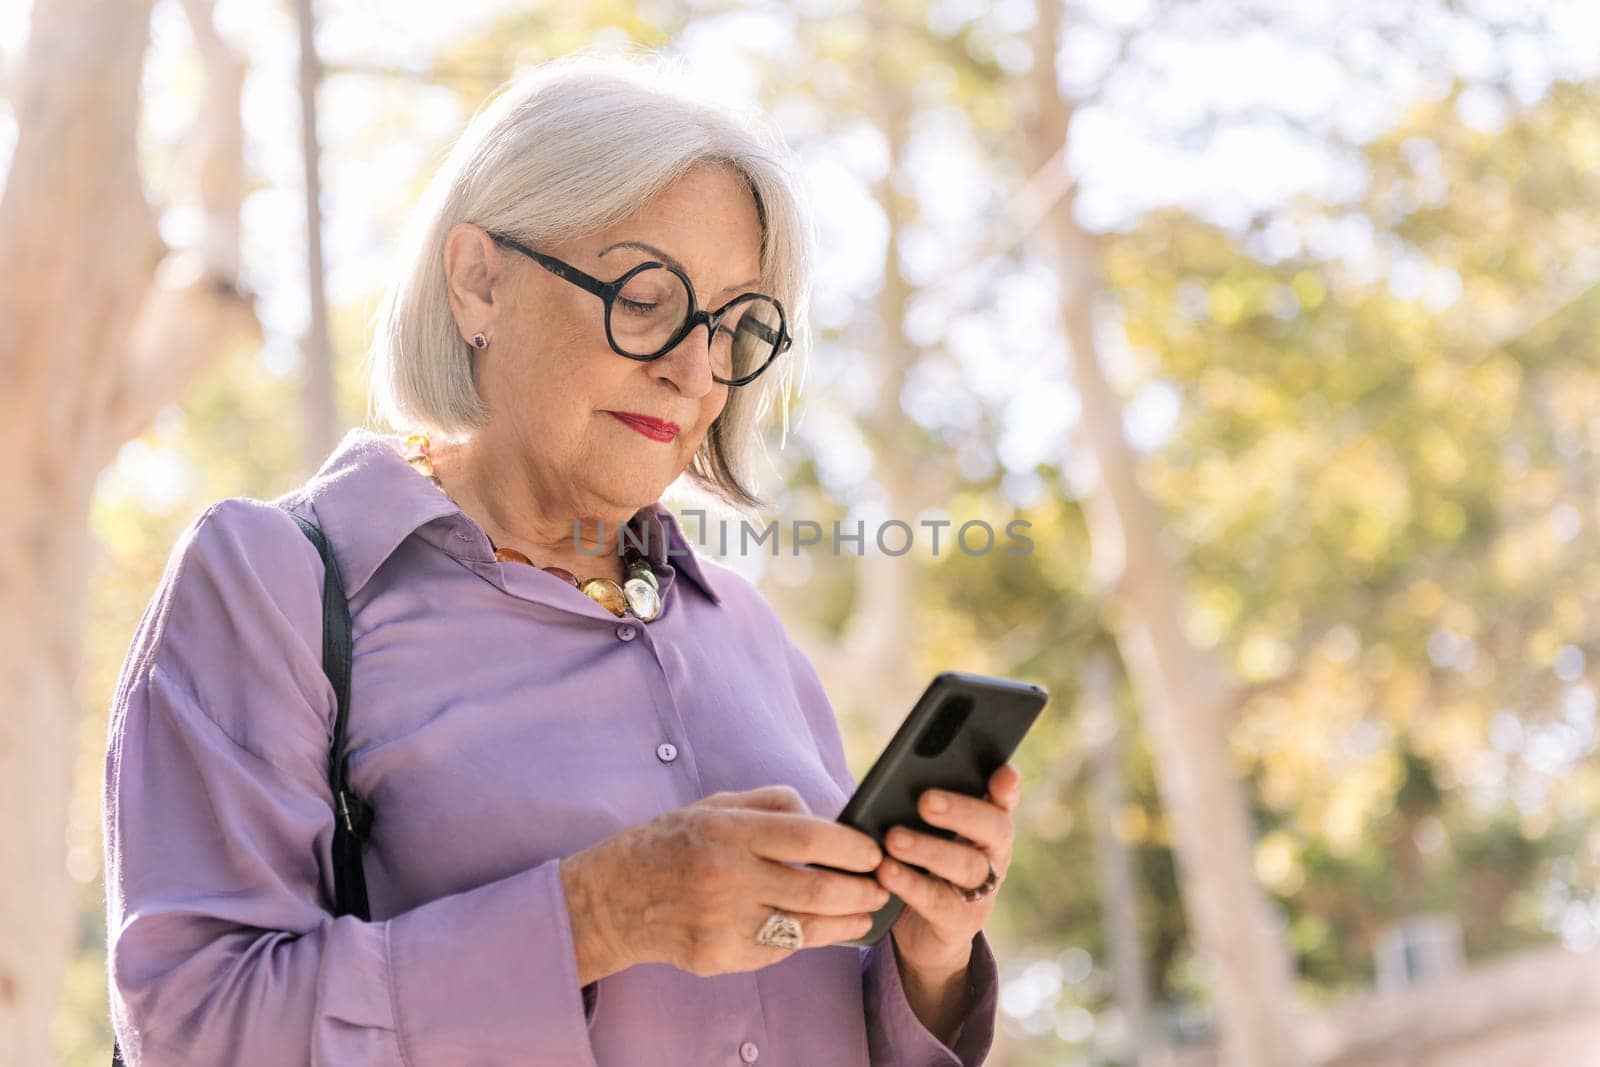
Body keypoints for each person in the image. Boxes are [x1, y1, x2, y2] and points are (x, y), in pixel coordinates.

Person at [103, 50, 1022, 1066]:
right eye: (643, 294)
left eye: (732, 325)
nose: (691, 369)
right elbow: (193, 1028)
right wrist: (592, 914)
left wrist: (934, 952)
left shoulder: (747, 631)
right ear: (479, 282)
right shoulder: (273, 583)